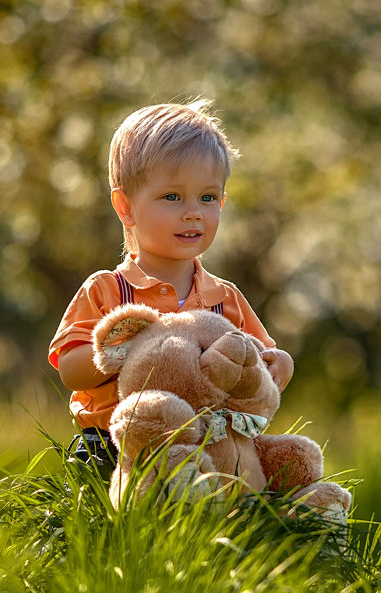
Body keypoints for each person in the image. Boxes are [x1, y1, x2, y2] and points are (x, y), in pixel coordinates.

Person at [49, 100, 294, 479]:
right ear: (125, 207)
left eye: (208, 198)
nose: (193, 211)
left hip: (207, 445)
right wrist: (136, 345)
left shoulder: (224, 298)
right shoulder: (108, 290)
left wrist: (281, 364)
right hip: (117, 445)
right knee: (110, 507)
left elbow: (260, 359)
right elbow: (70, 370)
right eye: (172, 197)